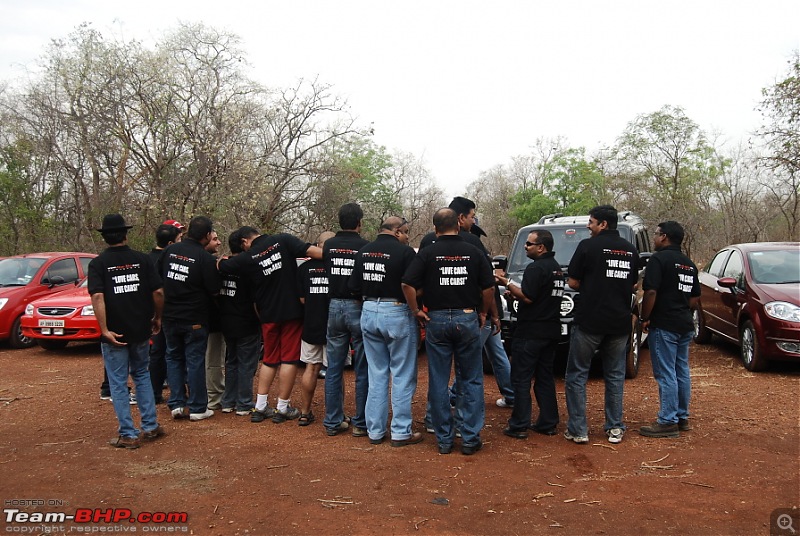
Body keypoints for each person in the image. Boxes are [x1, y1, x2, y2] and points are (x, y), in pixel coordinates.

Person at [402, 208, 497, 455]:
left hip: (437, 319)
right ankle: (469, 437)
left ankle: (444, 438)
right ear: (458, 223)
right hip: (467, 318)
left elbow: (407, 283)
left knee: (439, 379)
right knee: (471, 379)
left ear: (435, 228)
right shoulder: (473, 251)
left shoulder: (428, 252)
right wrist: (484, 312)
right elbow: (489, 288)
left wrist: (416, 311)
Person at [218, 226, 322, 423]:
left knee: (269, 359)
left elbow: (221, 267)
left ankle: (260, 406)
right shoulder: (283, 240)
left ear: (244, 242)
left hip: (267, 314)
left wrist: (221, 261)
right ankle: (282, 407)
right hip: (292, 311)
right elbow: (313, 252)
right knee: (289, 359)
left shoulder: (247, 257)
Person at [421, 196, 513, 410]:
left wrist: (419, 309)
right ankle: (458, 406)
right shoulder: (472, 244)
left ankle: (510, 393)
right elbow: (487, 284)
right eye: (473, 217)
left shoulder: (428, 242)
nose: (474, 221)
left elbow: (414, 282)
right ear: (460, 218)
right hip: (475, 313)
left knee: (493, 354)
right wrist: (491, 313)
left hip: (443, 314)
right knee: (469, 366)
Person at [88, 214, 165, 449]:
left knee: (118, 383)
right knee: (141, 374)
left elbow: (98, 296)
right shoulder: (142, 260)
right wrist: (157, 317)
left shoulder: (98, 264)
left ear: (105, 238)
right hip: (140, 328)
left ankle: (129, 434)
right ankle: (150, 426)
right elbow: (159, 292)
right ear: (125, 234)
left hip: (115, 334)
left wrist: (104, 330)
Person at [564, 205, 639, 444]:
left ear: (603, 224)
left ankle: (579, 430)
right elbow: (634, 285)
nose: (588, 225)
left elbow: (573, 282)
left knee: (577, 374)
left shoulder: (587, 247)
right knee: (615, 375)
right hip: (619, 322)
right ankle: (615, 427)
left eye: (591, 222)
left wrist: (592, 285)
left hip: (589, 321)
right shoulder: (630, 250)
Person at [349, 216, 422, 447]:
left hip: (369, 310)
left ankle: (375, 431)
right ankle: (401, 432)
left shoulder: (364, 251)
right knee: (401, 373)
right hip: (398, 311)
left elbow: (354, 288)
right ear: (397, 231)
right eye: (406, 231)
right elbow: (412, 285)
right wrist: (416, 307)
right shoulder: (405, 252)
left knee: (377, 373)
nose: (408, 236)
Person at [496, 230, 563, 439]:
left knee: (521, 378)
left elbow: (529, 297)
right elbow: (535, 296)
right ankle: (548, 422)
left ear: (541, 247)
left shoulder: (536, 268)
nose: (525, 247)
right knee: (544, 377)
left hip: (531, 332)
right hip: (550, 331)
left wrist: (506, 282)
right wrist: (515, 293)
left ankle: (519, 424)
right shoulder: (556, 269)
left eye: (529, 244)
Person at [638, 221, 701, 438]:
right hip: (684, 323)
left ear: (664, 237)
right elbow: (694, 298)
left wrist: (645, 317)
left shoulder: (658, 259)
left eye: (656, 234)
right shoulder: (688, 264)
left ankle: (667, 421)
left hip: (664, 324)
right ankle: (681, 417)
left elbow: (651, 292)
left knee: (665, 373)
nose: (654, 238)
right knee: (681, 371)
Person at [159, 216, 222, 421]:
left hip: (169, 315)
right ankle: (197, 407)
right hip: (194, 317)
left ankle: (177, 404)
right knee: (195, 360)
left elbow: (157, 279)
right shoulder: (204, 258)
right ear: (206, 235)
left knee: (174, 357)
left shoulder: (169, 251)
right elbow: (214, 290)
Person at [323, 203, 370, 437]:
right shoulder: (365, 246)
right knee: (363, 367)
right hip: (358, 306)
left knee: (334, 367)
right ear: (359, 223)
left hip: (333, 306)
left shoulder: (329, 245)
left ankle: (333, 421)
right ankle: (361, 423)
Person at [219, 229, 262, 416]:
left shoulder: (222, 266)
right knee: (247, 363)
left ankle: (228, 401)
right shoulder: (248, 267)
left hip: (227, 321)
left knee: (232, 360)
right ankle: (244, 402)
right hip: (246, 322)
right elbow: (255, 300)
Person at [296, 231, 335, 426]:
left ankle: (305, 412)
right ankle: (334, 414)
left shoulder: (304, 268)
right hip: (334, 327)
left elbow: (302, 299)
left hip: (311, 324)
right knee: (333, 370)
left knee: (311, 368)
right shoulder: (336, 266)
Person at [148, 221, 184, 404]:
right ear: (170, 244)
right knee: (165, 352)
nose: (182, 241)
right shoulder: (166, 260)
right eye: (179, 239)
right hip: (163, 314)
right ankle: (160, 393)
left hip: (160, 314)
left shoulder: (146, 259)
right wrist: (157, 316)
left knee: (158, 352)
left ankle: (156, 392)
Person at [204, 230, 226, 411]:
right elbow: (215, 291)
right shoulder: (208, 263)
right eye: (215, 239)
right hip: (211, 320)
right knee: (213, 360)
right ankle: (214, 397)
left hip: (196, 319)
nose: (218, 243)